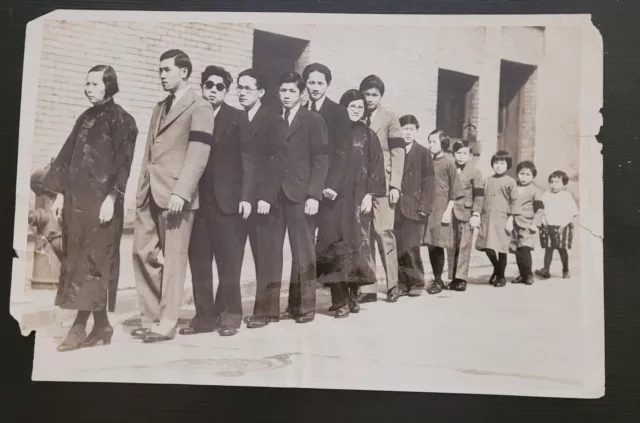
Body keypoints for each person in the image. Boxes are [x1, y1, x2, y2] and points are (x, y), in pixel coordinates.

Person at [42, 65, 138, 352]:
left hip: (102, 206)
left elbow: (124, 164)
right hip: (76, 204)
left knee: (94, 263)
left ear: (109, 85)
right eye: (86, 83)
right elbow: (67, 155)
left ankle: (78, 326)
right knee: (77, 261)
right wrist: (59, 194)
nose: (88, 88)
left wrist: (112, 198)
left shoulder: (123, 120)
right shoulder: (85, 117)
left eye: (95, 84)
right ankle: (102, 326)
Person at [132, 49, 214, 343]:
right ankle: (151, 317)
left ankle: (166, 323)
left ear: (185, 72)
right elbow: (149, 153)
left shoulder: (200, 106)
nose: (162, 75)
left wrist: (183, 191)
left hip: (178, 196)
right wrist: (139, 190)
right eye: (160, 70)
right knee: (142, 253)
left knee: (174, 261)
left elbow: (199, 153)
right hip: (149, 193)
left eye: (167, 70)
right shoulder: (159, 106)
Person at [245, 72, 328, 328]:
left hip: (300, 194)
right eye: (283, 91)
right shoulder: (272, 119)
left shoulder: (313, 119)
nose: (287, 96)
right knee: (270, 253)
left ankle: (303, 308)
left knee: (302, 251)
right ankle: (266, 310)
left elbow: (321, 159)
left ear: (301, 94)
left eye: (292, 91)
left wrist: (314, 194)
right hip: (272, 195)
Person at [180, 65, 254, 338]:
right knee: (199, 262)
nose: (212, 90)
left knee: (228, 263)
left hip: (228, 203)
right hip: (196, 202)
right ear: (202, 87)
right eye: (208, 85)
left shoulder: (237, 117)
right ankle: (204, 318)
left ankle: (230, 317)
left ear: (226, 90)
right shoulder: (191, 114)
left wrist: (246, 197)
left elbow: (249, 159)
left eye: (219, 86)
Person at [235, 69, 287, 325]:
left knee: (266, 255)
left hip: (264, 201)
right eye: (239, 88)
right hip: (241, 199)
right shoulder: (238, 118)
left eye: (248, 88)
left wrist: (266, 196)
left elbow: (279, 159)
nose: (242, 93)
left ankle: (266, 311)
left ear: (261, 92)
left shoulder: (273, 120)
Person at [328, 89, 386, 318]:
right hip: (335, 199)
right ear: (344, 108)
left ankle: (353, 296)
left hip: (359, 199)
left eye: (360, 107)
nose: (356, 110)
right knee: (335, 248)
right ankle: (339, 300)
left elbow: (376, 167)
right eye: (352, 106)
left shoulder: (369, 135)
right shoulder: (333, 132)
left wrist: (370, 195)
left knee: (356, 248)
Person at [302, 63, 352, 296]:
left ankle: (340, 299)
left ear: (327, 85)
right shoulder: (301, 109)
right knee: (304, 246)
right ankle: (301, 300)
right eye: (311, 82)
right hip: (305, 189)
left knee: (331, 243)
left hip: (330, 191)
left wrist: (332, 185)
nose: (314, 87)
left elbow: (344, 152)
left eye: (320, 83)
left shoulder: (337, 111)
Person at [358, 74, 406, 303]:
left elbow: (398, 153)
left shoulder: (390, 119)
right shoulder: (357, 114)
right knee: (364, 235)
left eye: (374, 94)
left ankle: (393, 284)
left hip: (384, 184)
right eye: (366, 94)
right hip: (361, 184)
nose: (369, 99)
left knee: (384, 232)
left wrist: (395, 184)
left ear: (381, 96)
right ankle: (368, 287)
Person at [394, 115, 435, 299]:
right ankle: (402, 283)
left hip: (415, 207)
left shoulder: (423, 152)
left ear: (416, 131)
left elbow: (429, 180)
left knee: (411, 247)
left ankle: (417, 282)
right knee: (398, 247)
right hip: (395, 206)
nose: (408, 132)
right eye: (404, 128)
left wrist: (425, 205)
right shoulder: (395, 150)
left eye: (411, 129)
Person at [423, 129, 463, 294]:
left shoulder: (449, 163)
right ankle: (436, 277)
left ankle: (439, 280)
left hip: (442, 209)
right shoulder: (427, 160)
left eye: (434, 142)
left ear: (443, 144)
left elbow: (455, 189)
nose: (430, 145)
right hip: (428, 208)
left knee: (439, 244)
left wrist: (448, 211)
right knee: (431, 244)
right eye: (429, 141)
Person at [475, 150, 519, 288]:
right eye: (496, 163)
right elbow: (480, 198)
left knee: (501, 248)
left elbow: (514, 201)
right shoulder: (487, 181)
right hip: (487, 218)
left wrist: (511, 219)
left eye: (502, 163)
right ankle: (497, 269)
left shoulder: (510, 181)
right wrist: (477, 214)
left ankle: (501, 276)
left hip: (502, 218)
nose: (498, 166)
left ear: (508, 165)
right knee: (488, 247)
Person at [446, 140, 484, 292]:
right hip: (450, 212)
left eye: (464, 153)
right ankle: (452, 277)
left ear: (470, 155)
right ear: (453, 154)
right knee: (451, 246)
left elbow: (479, 194)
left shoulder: (475, 172)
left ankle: (461, 279)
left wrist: (476, 213)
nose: (461, 156)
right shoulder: (450, 168)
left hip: (466, 213)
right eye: (458, 153)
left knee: (464, 246)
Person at [535, 170, 579, 279]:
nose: (554, 185)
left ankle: (565, 270)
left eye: (557, 182)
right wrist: (543, 222)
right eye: (552, 182)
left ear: (564, 184)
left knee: (562, 249)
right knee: (548, 249)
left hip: (563, 227)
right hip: (548, 225)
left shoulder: (567, 195)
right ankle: (546, 270)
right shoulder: (546, 195)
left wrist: (564, 225)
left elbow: (573, 213)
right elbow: (542, 210)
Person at [509, 161, 544, 285]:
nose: (524, 177)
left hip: (528, 223)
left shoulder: (535, 190)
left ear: (533, 176)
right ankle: (522, 274)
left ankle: (528, 274)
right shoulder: (512, 186)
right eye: (522, 174)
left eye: (528, 175)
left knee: (525, 249)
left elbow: (539, 209)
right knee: (517, 250)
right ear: (517, 174)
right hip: (513, 223)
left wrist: (536, 223)